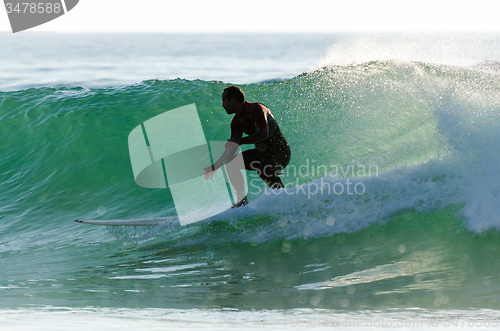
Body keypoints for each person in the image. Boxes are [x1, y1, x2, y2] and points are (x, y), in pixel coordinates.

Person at [203, 86, 291, 208]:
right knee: (232, 164)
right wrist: (215, 166)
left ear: (233, 100)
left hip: (280, 152)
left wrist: (240, 141)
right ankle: (242, 202)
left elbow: (263, 133)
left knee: (264, 168)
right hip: (262, 154)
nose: (223, 105)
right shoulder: (236, 122)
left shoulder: (257, 109)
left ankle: (283, 198)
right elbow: (232, 147)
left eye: (224, 101)